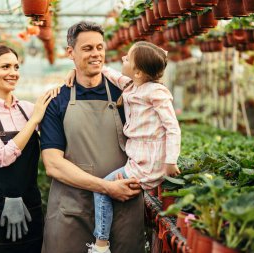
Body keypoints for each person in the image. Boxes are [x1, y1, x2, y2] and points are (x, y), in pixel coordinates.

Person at [66, 41, 182, 253]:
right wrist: (76, 69)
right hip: (138, 158)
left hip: (148, 162)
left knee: (102, 188)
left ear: (137, 72)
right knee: (109, 188)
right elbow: (109, 72)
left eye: (127, 58)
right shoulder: (132, 86)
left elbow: (173, 128)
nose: (122, 59)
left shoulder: (156, 93)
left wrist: (170, 161)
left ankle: (101, 244)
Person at [40, 21, 145, 253]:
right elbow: (53, 165)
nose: (96, 54)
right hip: (72, 209)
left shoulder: (126, 97)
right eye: (87, 48)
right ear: (71, 52)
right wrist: (106, 187)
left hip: (122, 206)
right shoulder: (57, 101)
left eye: (100, 47)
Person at [0, 44, 57, 253]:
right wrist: (34, 121)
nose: (13, 73)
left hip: (29, 200)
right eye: (5, 67)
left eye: (16, 67)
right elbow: (2, 157)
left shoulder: (27, 108)